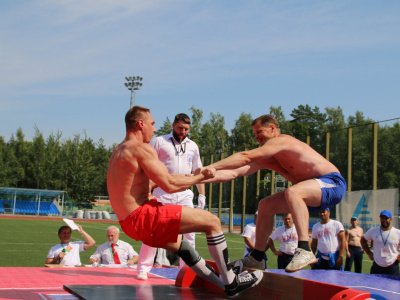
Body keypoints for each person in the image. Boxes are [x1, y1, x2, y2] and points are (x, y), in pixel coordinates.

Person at [106, 106, 262, 297]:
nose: (154, 129)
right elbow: (170, 183)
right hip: (143, 215)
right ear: (141, 124)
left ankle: (224, 286)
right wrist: (200, 177)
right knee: (212, 222)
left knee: (184, 246)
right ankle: (231, 281)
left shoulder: (119, 150)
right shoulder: (141, 148)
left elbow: (135, 185)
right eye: (152, 124)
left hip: (129, 221)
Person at [201, 114, 346, 272]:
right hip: (311, 191)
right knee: (265, 205)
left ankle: (305, 249)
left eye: (259, 132)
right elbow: (236, 172)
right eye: (254, 134)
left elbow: (245, 156)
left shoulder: (282, 141)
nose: (257, 137)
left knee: (293, 192)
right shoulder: (271, 157)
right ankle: (257, 257)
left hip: (332, 183)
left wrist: (212, 165)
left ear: (272, 129)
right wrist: (199, 178)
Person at [137, 113, 206, 280]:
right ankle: (143, 268)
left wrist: (202, 195)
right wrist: (147, 192)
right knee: (153, 230)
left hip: (184, 194)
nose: (183, 132)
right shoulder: (160, 141)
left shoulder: (192, 146)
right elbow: (147, 166)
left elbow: (198, 171)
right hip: (162, 192)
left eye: (186, 129)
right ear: (173, 125)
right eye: (180, 128)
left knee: (190, 232)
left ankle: (187, 270)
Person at [361, 210, 400, 275]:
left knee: (393, 285)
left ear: (390, 219)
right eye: (382, 218)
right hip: (377, 266)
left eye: (386, 218)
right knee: (374, 285)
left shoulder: (397, 232)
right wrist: (369, 253)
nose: (384, 220)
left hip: (393, 266)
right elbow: (363, 240)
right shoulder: (373, 230)